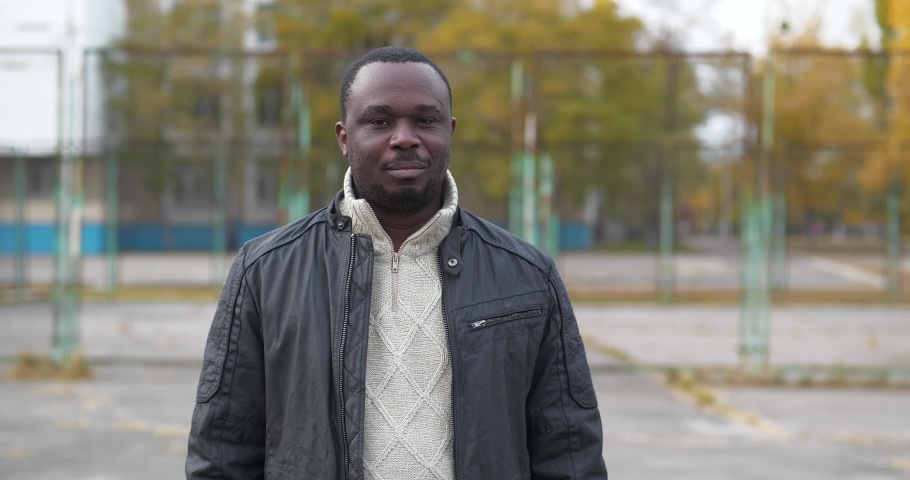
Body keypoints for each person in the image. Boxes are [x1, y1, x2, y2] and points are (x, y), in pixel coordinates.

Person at [186, 46, 607, 479]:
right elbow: (224, 448)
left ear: (450, 131)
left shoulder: (527, 275)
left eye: (425, 120)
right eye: (380, 121)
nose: (405, 137)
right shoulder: (265, 271)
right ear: (344, 137)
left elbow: (569, 449)